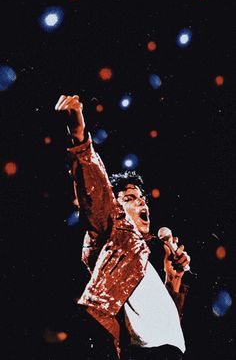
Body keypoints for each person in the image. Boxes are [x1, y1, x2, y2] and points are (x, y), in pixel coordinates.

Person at [55, 95, 191, 360]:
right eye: (129, 198)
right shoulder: (115, 234)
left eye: (142, 198)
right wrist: (79, 136)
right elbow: (96, 193)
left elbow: (163, 328)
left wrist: (172, 280)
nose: (141, 202)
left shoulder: (141, 260)